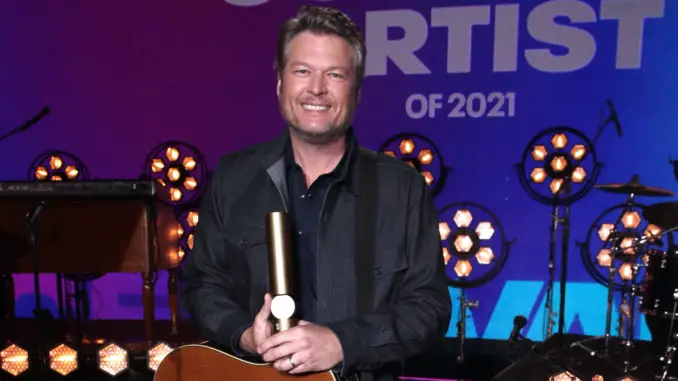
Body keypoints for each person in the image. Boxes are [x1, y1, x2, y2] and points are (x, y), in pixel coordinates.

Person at [179, 5, 451, 381]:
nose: (316, 89)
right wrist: (244, 335)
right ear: (280, 84)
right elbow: (201, 283)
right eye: (302, 71)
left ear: (356, 90)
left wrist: (342, 342)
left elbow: (430, 307)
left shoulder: (402, 188)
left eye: (335, 75)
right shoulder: (233, 178)